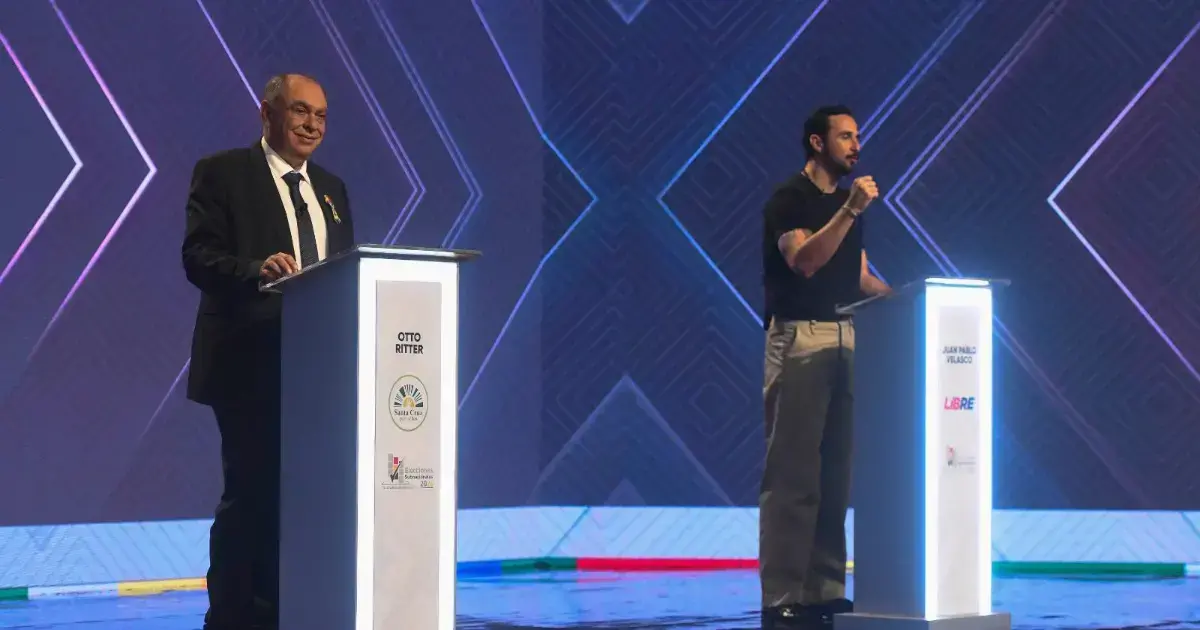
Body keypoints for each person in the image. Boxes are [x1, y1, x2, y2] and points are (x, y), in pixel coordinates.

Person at [182, 73, 356, 630]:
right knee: (253, 496)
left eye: (321, 116)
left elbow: (345, 274)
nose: (311, 125)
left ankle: (294, 610)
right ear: (268, 114)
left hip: (317, 375)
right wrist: (257, 271)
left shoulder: (332, 189)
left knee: (307, 502)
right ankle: (233, 617)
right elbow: (199, 257)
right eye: (300, 112)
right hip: (249, 365)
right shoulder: (224, 173)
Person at [759, 105, 890, 629]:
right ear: (817, 143)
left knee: (836, 473)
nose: (856, 145)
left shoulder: (844, 203)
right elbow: (805, 261)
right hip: (800, 337)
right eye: (845, 136)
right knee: (794, 475)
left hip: (846, 337)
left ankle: (826, 589)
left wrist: (910, 300)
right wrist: (850, 212)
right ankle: (783, 593)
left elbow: (857, 277)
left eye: (858, 136)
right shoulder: (790, 199)